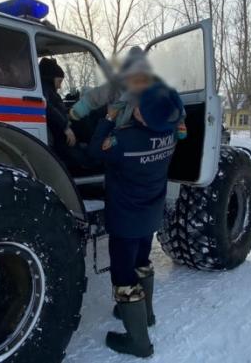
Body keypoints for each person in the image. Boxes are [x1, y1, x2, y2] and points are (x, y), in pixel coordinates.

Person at [89, 63, 184, 358]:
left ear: (145, 114)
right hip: (149, 215)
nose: (136, 106)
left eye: (140, 105)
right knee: (142, 260)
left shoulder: (124, 140)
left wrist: (108, 117)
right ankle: (147, 314)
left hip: (126, 219)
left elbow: (94, 153)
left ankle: (139, 343)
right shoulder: (170, 136)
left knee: (123, 275)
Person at [69, 46, 188, 140]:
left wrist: (180, 121)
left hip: (148, 126)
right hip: (123, 125)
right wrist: (79, 110)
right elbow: (96, 96)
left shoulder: (156, 83)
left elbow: (173, 102)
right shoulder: (117, 85)